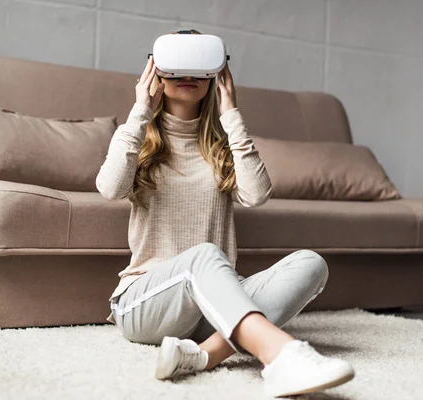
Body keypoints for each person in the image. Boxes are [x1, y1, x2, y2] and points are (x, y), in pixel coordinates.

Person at [96, 29, 355, 398]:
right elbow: (109, 188)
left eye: (200, 66)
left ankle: (205, 354)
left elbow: (257, 195)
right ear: (155, 70)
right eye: (177, 64)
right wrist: (141, 109)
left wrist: (230, 113)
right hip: (145, 305)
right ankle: (281, 357)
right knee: (203, 256)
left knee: (311, 263)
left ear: (216, 73)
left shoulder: (223, 146)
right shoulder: (137, 139)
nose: (188, 75)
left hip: (209, 310)